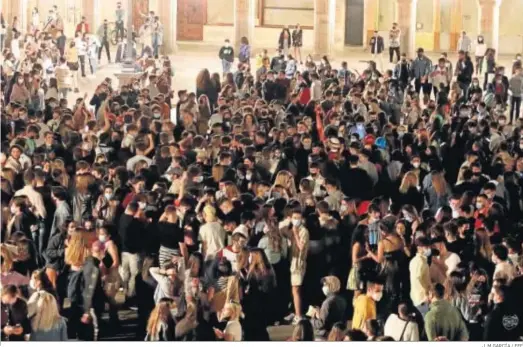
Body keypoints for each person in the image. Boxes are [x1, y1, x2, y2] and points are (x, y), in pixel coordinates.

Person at [409, 236, 432, 317]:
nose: (429, 249)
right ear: (419, 248)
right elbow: (416, 280)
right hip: (422, 299)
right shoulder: (419, 261)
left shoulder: (420, 260)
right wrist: (426, 295)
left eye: (429, 246)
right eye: (426, 247)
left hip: (420, 297)